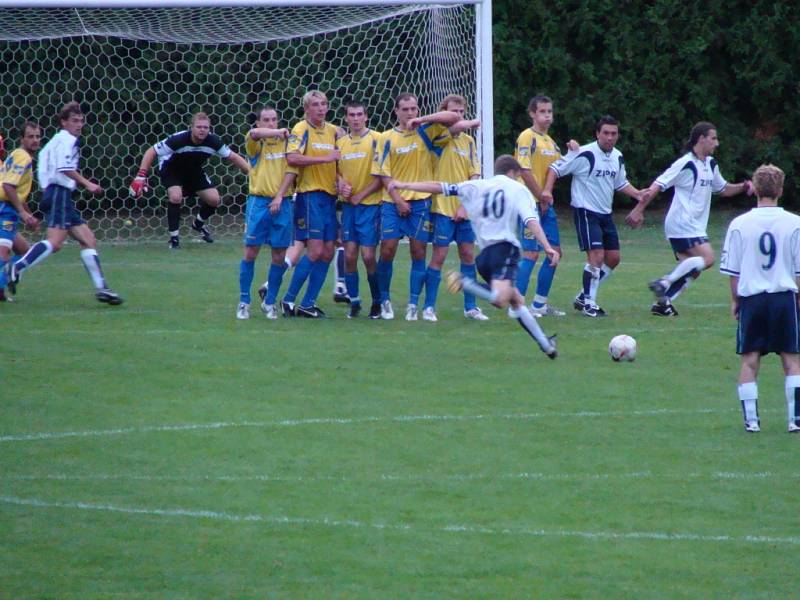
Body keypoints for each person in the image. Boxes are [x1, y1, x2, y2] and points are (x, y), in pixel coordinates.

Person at [389, 155, 558, 358]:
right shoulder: (519, 189)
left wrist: (403, 184)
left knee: (516, 299)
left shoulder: (475, 186)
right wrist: (547, 246)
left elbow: (439, 187)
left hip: (485, 257)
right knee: (501, 298)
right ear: (515, 173)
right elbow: (531, 220)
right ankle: (466, 283)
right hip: (505, 250)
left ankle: (546, 345)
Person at [626, 122, 753, 316]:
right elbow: (658, 185)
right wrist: (638, 209)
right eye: (714, 138)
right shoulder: (685, 163)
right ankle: (664, 282)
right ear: (701, 139)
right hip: (682, 221)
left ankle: (663, 303)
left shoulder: (710, 164)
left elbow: (723, 189)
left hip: (693, 225)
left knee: (693, 268)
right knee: (708, 258)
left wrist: (743, 186)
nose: (717, 143)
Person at [4, 102, 123, 304]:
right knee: (55, 241)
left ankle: (102, 288)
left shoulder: (55, 141)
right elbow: (63, 168)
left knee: (88, 239)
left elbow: (46, 161)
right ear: (63, 122)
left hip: (58, 193)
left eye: (81, 121)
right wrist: (87, 184)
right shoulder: (67, 140)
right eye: (74, 121)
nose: (79, 125)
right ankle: (17, 267)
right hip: (59, 192)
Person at [719, 164, 800, 433]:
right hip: (784, 298)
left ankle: (752, 421)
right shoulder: (795, 223)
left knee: (750, 360)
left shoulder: (739, 224)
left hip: (752, 299)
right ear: (780, 189)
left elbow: (734, 271)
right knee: (791, 360)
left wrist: (735, 300)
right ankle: (795, 420)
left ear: (754, 188)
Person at [543, 115, 644, 317]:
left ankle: (583, 296)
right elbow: (555, 168)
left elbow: (620, 182)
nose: (609, 137)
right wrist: (547, 192)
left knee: (613, 258)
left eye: (613, 133)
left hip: (605, 214)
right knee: (596, 256)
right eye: (605, 133)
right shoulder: (585, 153)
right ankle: (589, 303)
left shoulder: (617, 156)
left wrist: (638, 194)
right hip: (586, 211)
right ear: (597, 134)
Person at [374, 92, 460, 320]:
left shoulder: (427, 132)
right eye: (406, 109)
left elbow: (452, 118)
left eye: (414, 109)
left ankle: (413, 303)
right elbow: (383, 174)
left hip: (421, 202)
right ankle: (384, 300)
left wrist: (422, 120)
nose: (410, 113)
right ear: (396, 112)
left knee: (418, 251)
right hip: (392, 202)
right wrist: (399, 200)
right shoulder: (385, 138)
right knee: (388, 249)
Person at [130, 111, 249, 249]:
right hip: (171, 168)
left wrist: (253, 174)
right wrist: (141, 175)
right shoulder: (178, 140)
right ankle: (174, 240)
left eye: (205, 127)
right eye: (199, 127)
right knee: (175, 197)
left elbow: (233, 157)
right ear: (191, 127)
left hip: (193, 170)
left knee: (214, 200)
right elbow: (151, 151)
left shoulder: (214, 141)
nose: (202, 130)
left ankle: (198, 225)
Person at [423, 94, 487, 322]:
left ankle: (471, 307)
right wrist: (468, 123)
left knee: (468, 255)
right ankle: (429, 307)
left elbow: (475, 174)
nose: (458, 116)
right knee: (439, 256)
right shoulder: (439, 136)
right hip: (442, 207)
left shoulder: (469, 143)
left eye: (461, 112)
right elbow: (454, 128)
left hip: (464, 208)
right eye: (454, 112)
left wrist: (465, 205)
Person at [278, 90, 341, 318]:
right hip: (309, 196)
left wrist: (341, 180)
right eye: (315, 104)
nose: (321, 108)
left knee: (327, 253)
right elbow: (292, 157)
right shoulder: (300, 129)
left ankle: (308, 303)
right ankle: (288, 299)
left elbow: (341, 161)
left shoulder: (334, 131)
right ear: (307, 109)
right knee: (314, 250)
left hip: (329, 198)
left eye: (324, 104)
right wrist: (325, 158)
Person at [236, 106, 294, 320]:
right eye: (266, 120)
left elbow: (292, 170)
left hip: (283, 203)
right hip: (259, 203)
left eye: (274, 120)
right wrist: (278, 132)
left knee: (279, 254)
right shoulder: (255, 142)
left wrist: (279, 196)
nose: (271, 123)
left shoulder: (287, 143)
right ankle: (244, 301)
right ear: (259, 123)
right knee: (251, 252)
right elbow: (253, 134)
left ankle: (269, 302)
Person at [515, 94, 565, 317]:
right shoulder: (527, 137)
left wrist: (574, 152)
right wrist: (540, 195)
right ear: (532, 114)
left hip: (544, 203)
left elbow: (556, 171)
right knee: (531, 253)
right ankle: (517, 306)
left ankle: (539, 305)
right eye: (542, 112)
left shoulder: (552, 143)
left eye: (549, 112)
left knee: (555, 252)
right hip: (528, 201)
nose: (547, 116)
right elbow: (524, 170)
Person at [336, 101, 384, 319]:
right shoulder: (341, 143)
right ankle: (354, 302)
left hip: (369, 207)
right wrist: (341, 184)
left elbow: (381, 177)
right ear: (346, 118)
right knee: (350, 256)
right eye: (351, 115)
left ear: (366, 117)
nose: (355, 119)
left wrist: (360, 195)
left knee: (368, 256)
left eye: (359, 115)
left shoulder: (376, 139)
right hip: (349, 208)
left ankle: (377, 301)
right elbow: (334, 171)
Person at [0, 122, 41, 301]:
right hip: (5, 209)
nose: (35, 140)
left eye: (38, 136)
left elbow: (16, 191)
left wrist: (28, 214)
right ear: (22, 138)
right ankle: (2, 284)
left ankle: (2, 286)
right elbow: (8, 186)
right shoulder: (23, 157)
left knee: (24, 250)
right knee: (3, 254)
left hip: (9, 208)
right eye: (30, 136)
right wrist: (22, 213)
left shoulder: (17, 155)